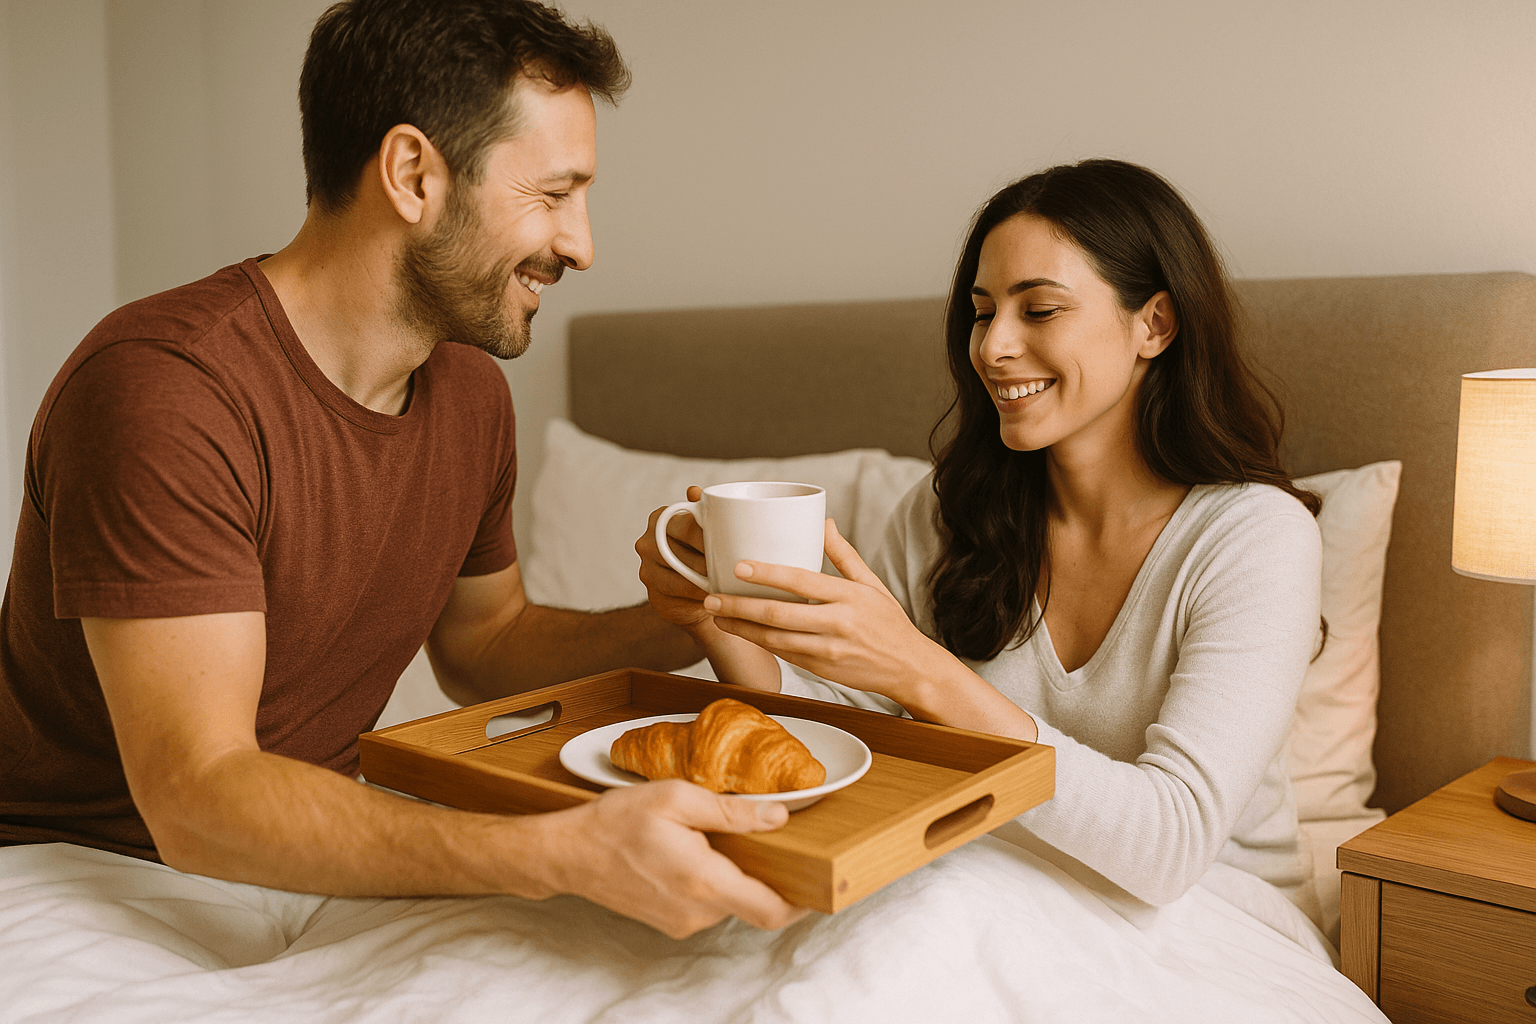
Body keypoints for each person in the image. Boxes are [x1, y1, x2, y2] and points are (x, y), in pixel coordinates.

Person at [0, 0, 803, 940]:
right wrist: (553, 852)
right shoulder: (165, 390)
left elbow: (483, 644)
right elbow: (197, 794)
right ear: (414, 174)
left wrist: (684, 619)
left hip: (322, 850)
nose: (583, 245)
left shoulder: (467, 392)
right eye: (552, 195)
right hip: (85, 877)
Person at [638, 159, 1324, 908]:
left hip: (1214, 917)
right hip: (983, 885)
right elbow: (832, 748)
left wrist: (920, 672)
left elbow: (1171, 844)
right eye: (982, 310)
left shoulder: (1254, 539)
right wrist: (719, 615)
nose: (992, 347)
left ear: (1153, 324)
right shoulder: (949, 512)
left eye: (1039, 310)